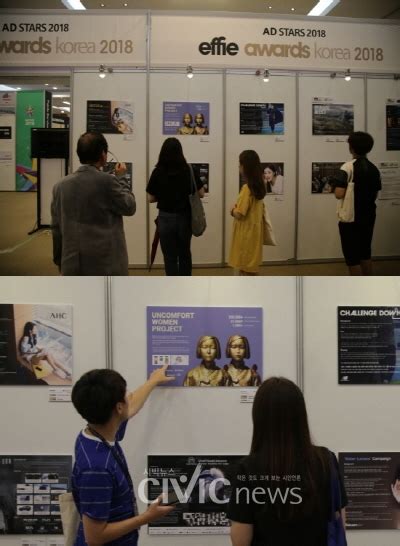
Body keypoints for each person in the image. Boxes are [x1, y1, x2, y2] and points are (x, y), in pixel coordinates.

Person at [228, 377, 348, 546]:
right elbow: (339, 522)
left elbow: (240, 540)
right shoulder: (326, 461)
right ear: (301, 415)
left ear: (259, 417)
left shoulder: (247, 470)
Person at [71, 366, 175, 546]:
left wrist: (153, 381)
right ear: (118, 408)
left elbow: (131, 405)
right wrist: (147, 517)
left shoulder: (94, 433)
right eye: (126, 395)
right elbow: (95, 538)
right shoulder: (96, 469)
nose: (130, 396)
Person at [51, 132, 136, 275]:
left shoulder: (59, 186)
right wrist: (122, 178)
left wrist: (60, 259)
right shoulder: (108, 182)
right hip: (105, 265)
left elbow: (56, 227)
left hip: (72, 263)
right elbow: (129, 207)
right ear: (103, 154)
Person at [146, 138, 205, 276]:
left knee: (170, 257)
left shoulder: (158, 171)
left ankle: (173, 287)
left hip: (165, 219)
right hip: (185, 218)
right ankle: (185, 287)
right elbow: (201, 193)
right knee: (184, 254)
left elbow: (150, 198)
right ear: (180, 152)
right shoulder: (189, 169)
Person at [332, 131, 381, 276]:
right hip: (369, 216)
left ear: (351, 147)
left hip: (350, 218)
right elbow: (376, 194)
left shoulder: (347, 167)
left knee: (352, 257)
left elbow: (338, 194)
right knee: (365, 253)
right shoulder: (374, 169)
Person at [228, 150, 267, 276]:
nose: (239, 167)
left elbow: (240, 214)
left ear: (245, 167)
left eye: (240, 165)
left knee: (244, 269)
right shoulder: (260, 186)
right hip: (254, 234)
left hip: (245, 234)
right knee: (251, 268)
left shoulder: (247, 188)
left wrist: (232, 210)